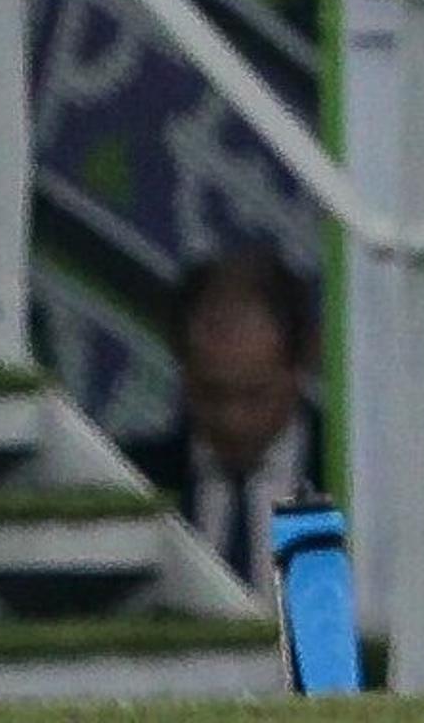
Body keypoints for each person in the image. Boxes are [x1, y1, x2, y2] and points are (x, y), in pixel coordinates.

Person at [120, 245, 326, 595]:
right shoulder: (132, 480)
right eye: (210, 395)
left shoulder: (356, 479)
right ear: (181, 367)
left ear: (301, 365)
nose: (233, 421)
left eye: (256, 396)